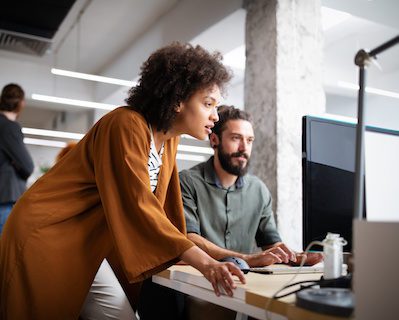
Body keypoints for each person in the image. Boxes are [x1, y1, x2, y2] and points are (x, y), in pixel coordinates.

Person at [0, 43, 246, 320]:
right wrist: (206, 264)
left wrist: (240, 257)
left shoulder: (168, 141)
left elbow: (167, 218)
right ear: (178, 99)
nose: (215, 115)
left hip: (86, 243)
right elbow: (139, 205)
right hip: (47, 234)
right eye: (208, 103)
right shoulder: (125, 125)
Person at [137, 105, 322, 320]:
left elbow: (272, 243)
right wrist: (248, 259)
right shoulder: (186, 181)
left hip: (243, 282)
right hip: (199, 282)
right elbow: (189, 239)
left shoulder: (258, 189)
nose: (244, 148)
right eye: (236, 138)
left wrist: (297, 257)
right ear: (214, 140)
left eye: (249, 140)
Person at [0, 83, 34, 234]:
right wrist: (14, 163)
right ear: (21, 103)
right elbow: (27, 166)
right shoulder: (8, 127)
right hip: (5, 197)